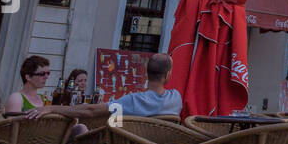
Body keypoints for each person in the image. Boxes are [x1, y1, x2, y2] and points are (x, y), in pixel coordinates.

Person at [34, 52, 182, 121]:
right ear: (168, 74)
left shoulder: (132, 101)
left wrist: (52, 108)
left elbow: (91, 111)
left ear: (146, 73)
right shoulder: (176, 99)